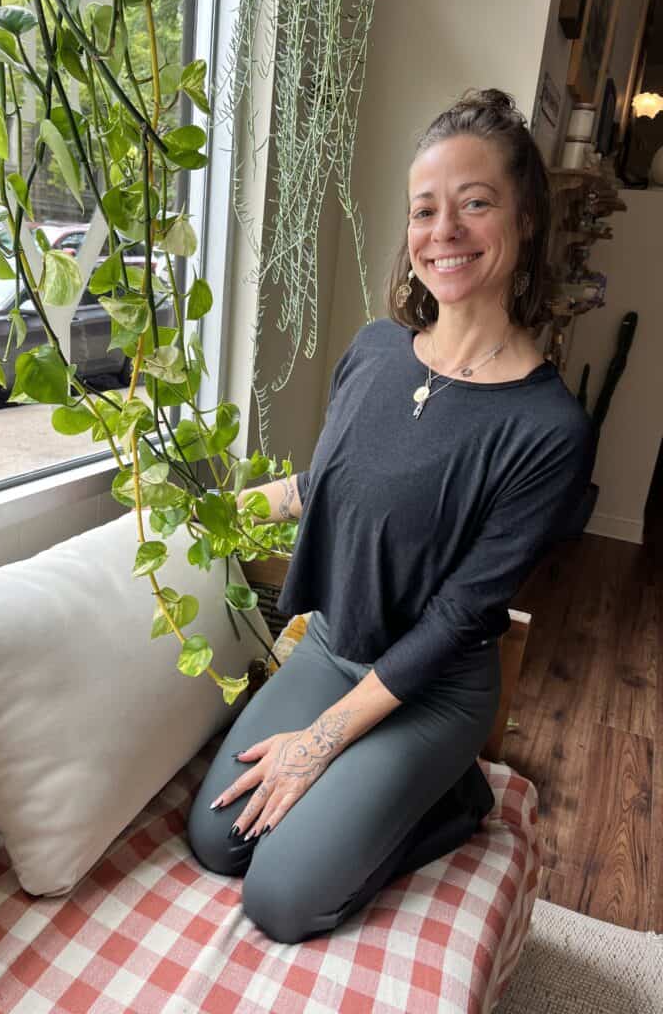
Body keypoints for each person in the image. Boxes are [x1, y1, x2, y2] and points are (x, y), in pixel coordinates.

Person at [186, 88, 596, 944]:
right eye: (425, 209)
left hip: (437, 686)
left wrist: (320, 744)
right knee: (220, 840)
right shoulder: (375, 349)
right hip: (338, 645)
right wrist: (222, 510)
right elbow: (333, 479)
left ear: (522, 221)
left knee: (283, 899)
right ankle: (389, 787)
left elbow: (458, 620)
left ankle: (453, 801)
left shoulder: (548, 428)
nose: (443, 230)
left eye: (474, 203)